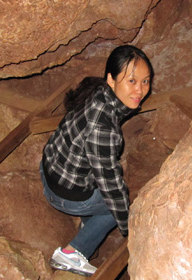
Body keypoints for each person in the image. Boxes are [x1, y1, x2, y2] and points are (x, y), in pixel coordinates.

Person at [39, 45, 154, 277]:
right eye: (131, 81)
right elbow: (111, 187)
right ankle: (73, 252)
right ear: (111, 79)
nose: (140, 90)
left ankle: (86, 222)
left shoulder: (97, 90)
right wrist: (129, 225)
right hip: (64, 194)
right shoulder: (104, 129)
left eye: (145, 81)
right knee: (116, 208)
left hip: (49, 168)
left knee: (112, 198)